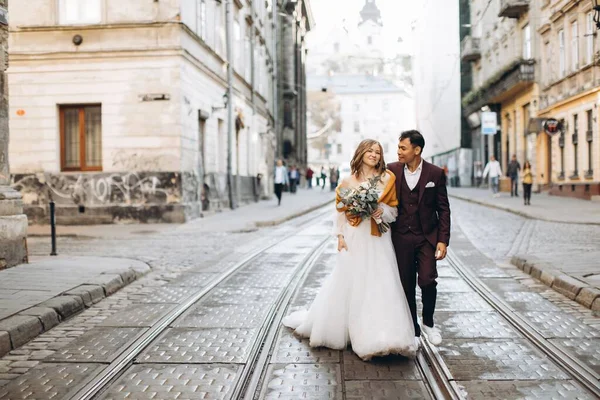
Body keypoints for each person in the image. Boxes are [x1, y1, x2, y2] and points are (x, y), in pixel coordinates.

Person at [282, 139, 417, 361]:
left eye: (378, 152)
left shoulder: (387, 178)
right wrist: (340, 237)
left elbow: (394, 211)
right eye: (370, 150)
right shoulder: (347, 181)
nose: (374, 154)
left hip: (378, 238)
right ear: (361, 152)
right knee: (354, 282)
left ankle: (386, 335)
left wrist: (379, 211)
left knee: (381, 281)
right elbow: (340, 213)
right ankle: (355, 332)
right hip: (355, 237)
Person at [388, 130, 450, 347]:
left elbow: (443, 209)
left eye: (403, 148)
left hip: (426, 237)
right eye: (398, 147)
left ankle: (429, 323)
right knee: (406, 284)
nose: (399, 152)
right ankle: (413, 329)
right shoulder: (392, 170)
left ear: (417, 150)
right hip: (401, 236)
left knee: (427, 279)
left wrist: (442, 240)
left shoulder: (435, 173)